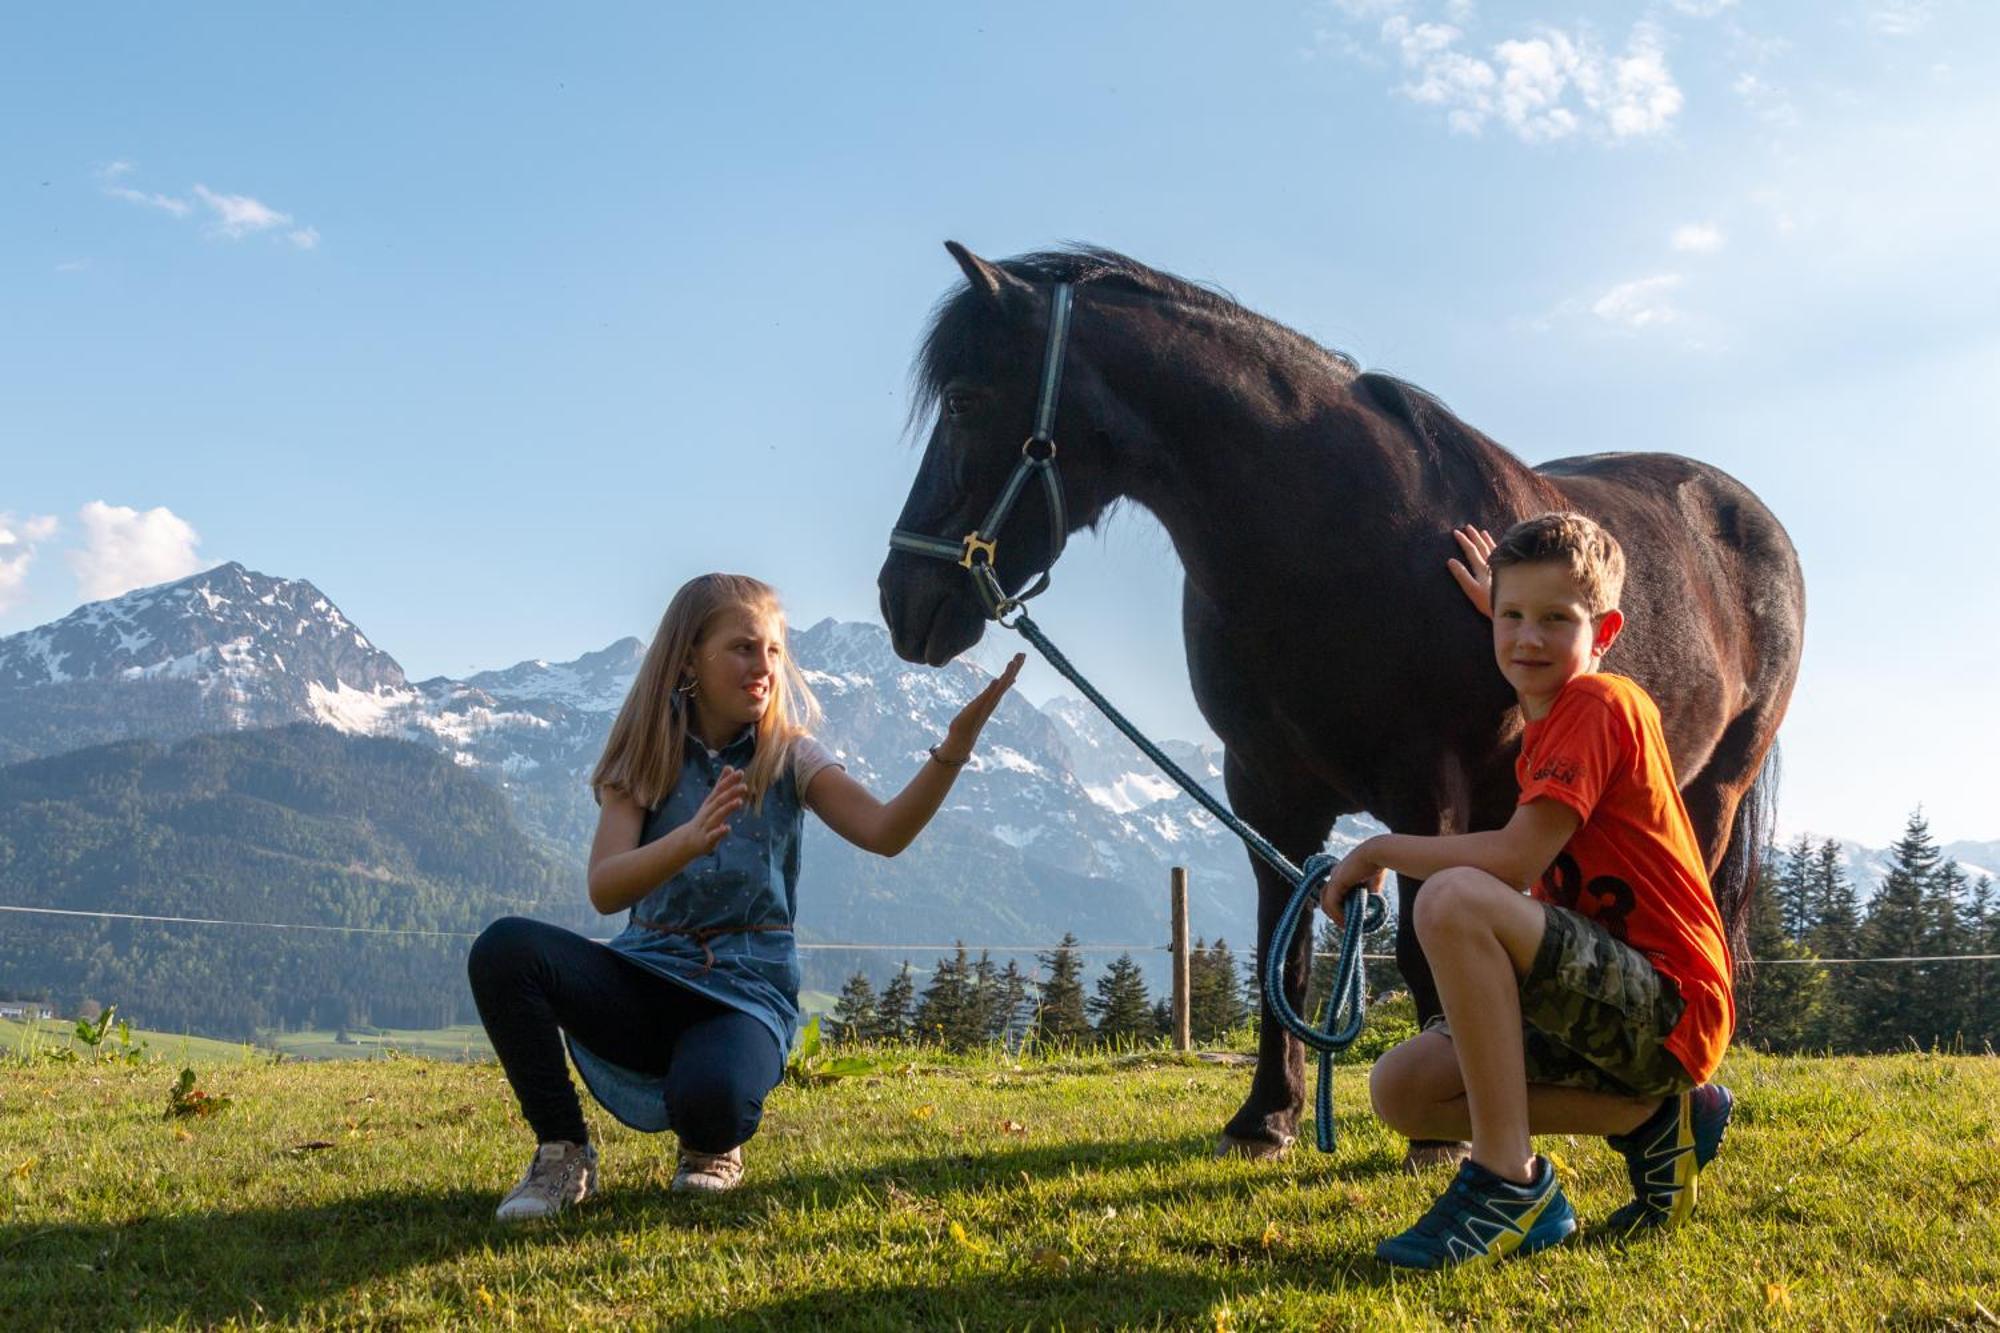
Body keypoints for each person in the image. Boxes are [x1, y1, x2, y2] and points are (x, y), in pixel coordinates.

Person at [467, 572, 1022, 1220]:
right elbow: (605, 886)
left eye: (775, 650)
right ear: (688, 658)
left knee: (713, 1100)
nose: (764, 666)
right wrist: (688, 840)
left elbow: (885, 831)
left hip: (744, 996)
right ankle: (563, 1151)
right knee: (504, 949)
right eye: (743, 648)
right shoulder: (647, 751)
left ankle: (711, 1142)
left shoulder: (789, 754)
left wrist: (950, 753)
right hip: (645, 976)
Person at [1322, 513, 1736, 1269]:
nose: (1527, 640)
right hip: (1610, 1007)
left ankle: (1508, 1181)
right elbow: (1538, 639)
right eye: (1511, 618)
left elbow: (1515, 859)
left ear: (1603, 630)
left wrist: (1377, 847)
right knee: (1403, 1091)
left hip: (1671, 1004)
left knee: (1450, 897)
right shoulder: (1559, 711)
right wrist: (1511, 606)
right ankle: (1655, 1116)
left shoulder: (1598, 707)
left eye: (1555, 620)